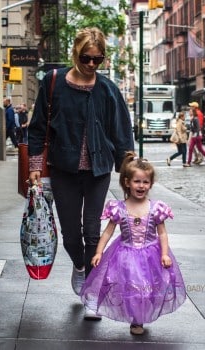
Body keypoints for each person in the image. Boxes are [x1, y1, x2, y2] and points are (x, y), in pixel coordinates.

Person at [28, 27, 134, 318]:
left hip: (98, 170)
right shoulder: (54, 82)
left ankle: (91, 289)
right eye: (87, 58)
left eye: (97, 60)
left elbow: (122, 132)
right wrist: (36, 166)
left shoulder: (107, 89)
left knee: (92, 232)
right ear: (76, 53)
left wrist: (128, 171)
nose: (91, 65)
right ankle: (79, 266)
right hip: (63, 168)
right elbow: (38, 127)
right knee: (72, 235)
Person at [80, 151, 186, 334]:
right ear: (127, 183)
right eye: (137, 181)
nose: (141, 185)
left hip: (150, 254)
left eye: (145, 182)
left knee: (149, 288)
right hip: (125, 254)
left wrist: (165, 254)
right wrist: (98, 252)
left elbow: (162, 234)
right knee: (132, 288)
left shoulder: (156, 208)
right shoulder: (118, 208)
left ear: (150, 184)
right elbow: (107, 232)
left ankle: (143, 312)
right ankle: (136, 320)